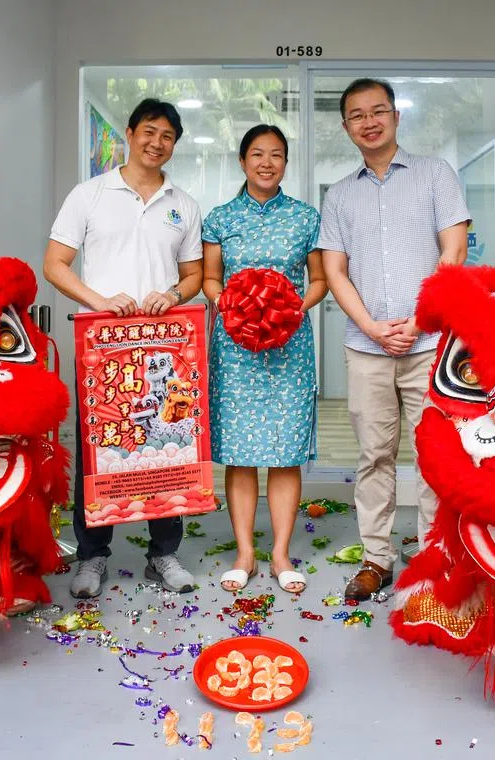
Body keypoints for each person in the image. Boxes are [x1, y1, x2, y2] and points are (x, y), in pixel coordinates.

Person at [318, 78, 471, 602]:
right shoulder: (339, 194)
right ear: (346, 127)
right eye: (357, 115)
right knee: (374, 457)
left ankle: (435, 553)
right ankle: (376, 560)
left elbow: (454, 249)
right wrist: (373, 326)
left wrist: (420, 318)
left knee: (434, 456)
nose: (369, 121)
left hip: (430, 344)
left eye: (378, 110)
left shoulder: (434, 174)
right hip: (367, 349)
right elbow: (335, 271)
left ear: (396, 116)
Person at [44, 98, 204, 597]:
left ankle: (164, 553)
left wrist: (174, 294)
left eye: (168, 137)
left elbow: (195, 274)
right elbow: (55, 263)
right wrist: (99, 300)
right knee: (100, 449)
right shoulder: (89, 195)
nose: (157, 143)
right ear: (130, 133)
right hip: (103, 346)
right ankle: (92, 557)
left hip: (166, 346)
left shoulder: (184, 203)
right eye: (149, 132)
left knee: (168, 447)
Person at [202, 125, 326, 595]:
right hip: (235, 348)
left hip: (290, 346)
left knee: (285, 451)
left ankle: (280, 553)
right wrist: (236, 308)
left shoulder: (305, 217)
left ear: (286, 163)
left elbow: (318, 280)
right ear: (242, 161)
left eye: (276, 155)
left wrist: (289, 309)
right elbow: (211, 278)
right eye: (257, 154)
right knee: (239, 453)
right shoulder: (219, 217)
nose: (267, 162)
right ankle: (244, 553)